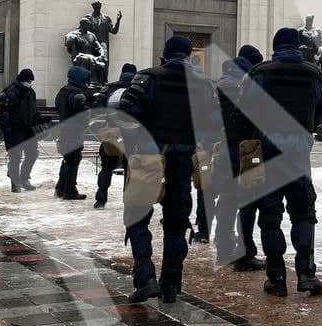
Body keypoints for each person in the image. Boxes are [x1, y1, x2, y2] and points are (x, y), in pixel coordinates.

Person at [118, 35, 219, 303]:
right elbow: (212, 124)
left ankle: (146, 277)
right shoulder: (205, 85)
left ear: (165, 54)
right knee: (176, 223)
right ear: (189, 56)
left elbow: (125, 115)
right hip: (183, 161)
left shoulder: (148, 78)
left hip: (148, 158)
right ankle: (171, 283)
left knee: (137, 217)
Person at [244, 27, 322, 298]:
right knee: (304, 213)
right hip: (299, 156)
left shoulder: (261, 72)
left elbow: (243, 111)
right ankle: (306, 274)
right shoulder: (313, 73)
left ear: (274, 46)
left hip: (268, 155)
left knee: (270, 218)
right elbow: (321, 111)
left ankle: (276, 278)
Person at [216, 45, 264, 270]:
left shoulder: (217, 86)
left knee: (226, 199)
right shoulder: (245, 87)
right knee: (247, 201)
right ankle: (244, 253)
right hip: (244, 151)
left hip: (221, 150)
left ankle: (224, 248)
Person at [93, 63, 137, 207]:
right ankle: (128, 199)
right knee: (130, 167)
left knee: (106, 166)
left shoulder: (109, 87)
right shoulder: (137, 88)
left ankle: (100, 198)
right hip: (132, 133)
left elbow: (97, 108)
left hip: (112, 132)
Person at [0, 68, 45, 193]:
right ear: (23, 79)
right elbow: (4, 112)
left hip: (29, 130)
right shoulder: (11, 92)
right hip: (15, 130)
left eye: (31, 80)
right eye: (29, 80)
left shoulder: (31, 92)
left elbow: (34, 110)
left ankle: (24, 178)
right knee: (15, 156)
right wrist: (7, 128)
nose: (30, 82)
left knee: (32, 154)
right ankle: (15, 182)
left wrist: (40, 120)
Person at [54, 65, 92, 200]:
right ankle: (70, 190)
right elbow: (82, 111)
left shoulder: (62, 91)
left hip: (63, 130)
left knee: (67, 159)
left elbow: (58, 107)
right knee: (73, 160)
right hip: (74, 131)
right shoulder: (76, 93)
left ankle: (60, 188)